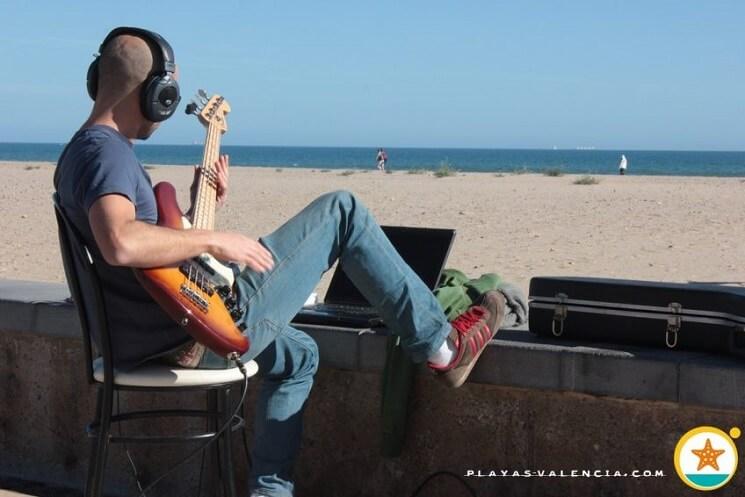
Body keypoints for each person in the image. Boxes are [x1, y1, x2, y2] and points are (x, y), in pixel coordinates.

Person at [54, 27, 507, 497]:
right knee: (342, 210)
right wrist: (217, 239)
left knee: (299, 356)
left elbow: (144, 258)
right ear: (156, 93)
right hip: (195, 333)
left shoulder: (80, 153)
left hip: (152, 336)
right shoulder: (106, 153)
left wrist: (194, 213)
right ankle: (443, 348)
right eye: (170, 92)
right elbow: (121, 244)